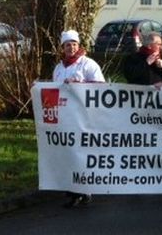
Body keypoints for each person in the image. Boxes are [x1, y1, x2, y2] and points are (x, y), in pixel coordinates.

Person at [53, 30, 105, 208]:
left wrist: (79, 86)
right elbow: (54, 89)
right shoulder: (59, 68)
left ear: (79, 45)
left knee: (83, 153)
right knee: (69, 154)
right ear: (63, 48)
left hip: (84, 117)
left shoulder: (88, 64)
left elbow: (101, 87)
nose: (71, 47)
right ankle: (74, 191)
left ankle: (85, 190)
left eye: (74, 44)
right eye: (68, 45)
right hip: (66, 118)